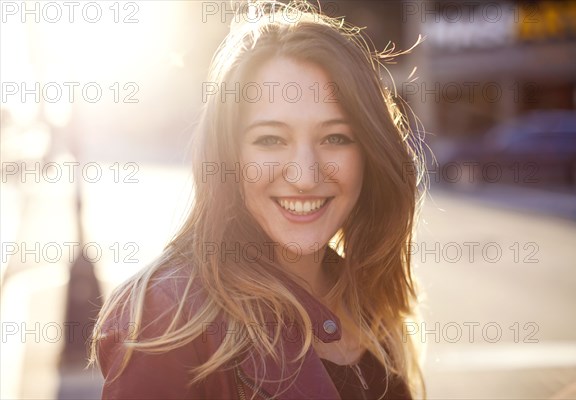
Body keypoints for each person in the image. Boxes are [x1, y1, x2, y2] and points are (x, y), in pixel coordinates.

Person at [90, 1, 427, 399]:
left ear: (369, 151)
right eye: (271, 139)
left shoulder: (370, 297)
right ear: (229, 155)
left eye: (335, 137)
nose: (304, 176)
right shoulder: (168, 318)